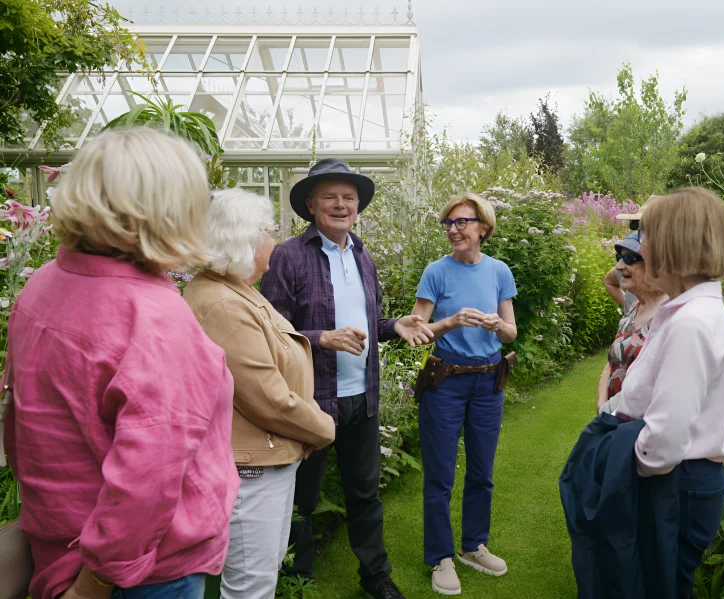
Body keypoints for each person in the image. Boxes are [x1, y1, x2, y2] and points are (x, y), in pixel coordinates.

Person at [2, 127, 239, 599]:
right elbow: (147, 477)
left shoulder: (47, 283)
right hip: (132, 574)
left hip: (58, 539)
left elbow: (21, 416)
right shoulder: (153, 318)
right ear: (172, 208)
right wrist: (96, 583)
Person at [260, 158, 433, 599]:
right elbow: (271, 329)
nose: (340, 204)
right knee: (301, 499)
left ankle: (375, 578)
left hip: (363, 400)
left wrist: (396, 326)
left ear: (357, 206)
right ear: (311, 204)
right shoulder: (288, 256)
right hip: (313, 401)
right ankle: (297, 581)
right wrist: (322, 338)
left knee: (365, 496)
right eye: (330, 197)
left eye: (348, 198)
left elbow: (368, 323)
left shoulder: (361, 254)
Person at [561, 188, 724, 599]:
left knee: (656, 586)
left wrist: (610, 467)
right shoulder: (683, 312)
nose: (640, 249)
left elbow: (664, 442)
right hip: (673, 480)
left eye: (648, 237)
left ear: (675, 245)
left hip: (675, 485)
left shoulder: (691, 323)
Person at [184, 189, 337, 599]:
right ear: (245, 240)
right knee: (251, 585)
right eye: (268, 230)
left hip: (262, 458)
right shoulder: (223, 305)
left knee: (256, 579)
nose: (275, 239)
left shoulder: (236, 291)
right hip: (253, 468)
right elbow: (268, 399)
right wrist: (324, 427)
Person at [410, 192, 518, 596]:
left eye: (462, 222)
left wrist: (496, 326)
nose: (453, 230)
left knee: (482, 472)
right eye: (449, 223)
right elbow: (416, 331)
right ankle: (440, 557)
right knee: (439, 475)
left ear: (483, 228)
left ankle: (473, 546)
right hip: (446, 383)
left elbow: (512, 331)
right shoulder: (436, 272)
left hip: (489, 382)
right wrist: (449, 322)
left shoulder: (499, 272)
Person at [595, 231, 668, 415]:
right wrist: (602, 404)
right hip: (612, 418)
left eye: (628, 258)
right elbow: (611, 364)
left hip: (641, 424)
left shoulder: (668, 316)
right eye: (619, 257)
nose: (619, 266)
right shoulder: (633, 309)